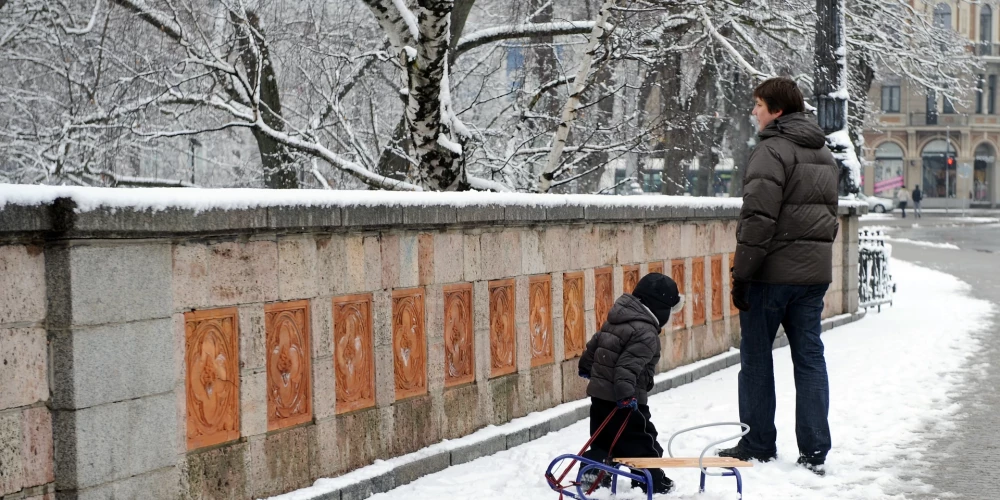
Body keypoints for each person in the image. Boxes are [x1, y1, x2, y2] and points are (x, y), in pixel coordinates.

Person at [723, 77, 839, 476]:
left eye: (758, 104)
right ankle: (814, 449)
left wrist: (742, 273)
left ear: (776, 110)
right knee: (809, 359)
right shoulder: (823, 152)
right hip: (811, 277)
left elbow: (757, 221)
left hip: (771, 276)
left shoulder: (771, 151)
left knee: (756, 358)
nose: (753, 112)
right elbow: (829, 217)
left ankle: (757, 443)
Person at [577, 273, 683, 494]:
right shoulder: (646, 333)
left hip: (600, 396)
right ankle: (650, 480)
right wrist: (626, 396)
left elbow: (595, 344)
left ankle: (592, 472)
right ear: (660, 308)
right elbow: (627, 367)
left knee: (603, 439)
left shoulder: (616, 319)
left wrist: (587, 368)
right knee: (643, 442)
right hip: (625, 400)